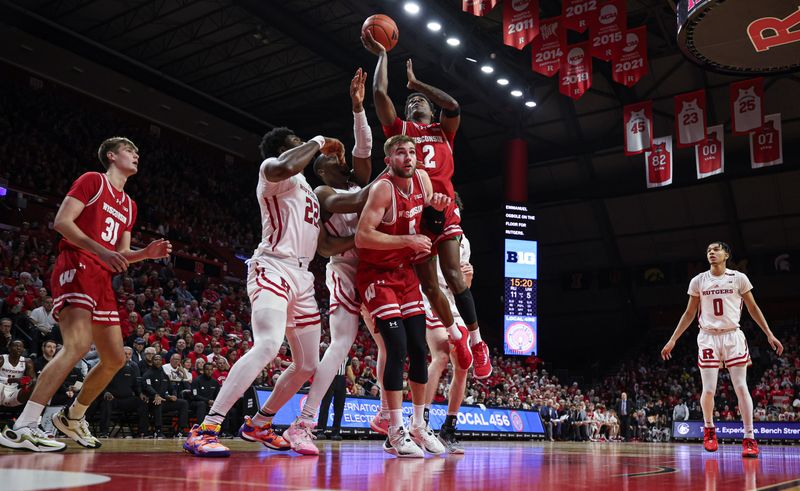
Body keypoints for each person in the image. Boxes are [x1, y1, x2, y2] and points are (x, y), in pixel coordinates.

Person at [182, 126, 345, 457]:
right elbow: (287, 165)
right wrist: (317, 140)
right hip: (272, 265)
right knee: (269, 344)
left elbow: (325, 246)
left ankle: (259, 423)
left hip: (303, 277)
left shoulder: (309, 192)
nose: (308, 149)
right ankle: (207, 427)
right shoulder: (273, 169)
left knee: (307, 364)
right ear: (288, 147)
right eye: (299, 144)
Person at [0, 137, 171, 452]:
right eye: (129, 150)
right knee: (77, 345)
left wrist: (145, 253)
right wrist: (100, 252)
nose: (136, 154)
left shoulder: (130, 205)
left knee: (115, 358)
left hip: (102, 278)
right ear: (111, 155)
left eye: (137, 151)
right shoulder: (93, 180)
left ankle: (73, 417)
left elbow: (120, 255)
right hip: (76, 264)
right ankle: (23, 425)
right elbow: (62, 222)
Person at [362, 30, 491, 379]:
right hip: (413, 214)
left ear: (430, 109)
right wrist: (382, 56)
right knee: (430, 285)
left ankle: (478, 342)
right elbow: (378, 94)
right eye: (411, 101)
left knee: (452, 272)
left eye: (421, 101)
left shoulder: (443, 130)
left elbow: (455, 106)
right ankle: (456, 335)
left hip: (443, 206)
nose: (415, 102)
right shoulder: (401, 134)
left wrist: (418, 83)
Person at [287, 68, 377, 454]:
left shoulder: (356, 181)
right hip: (344, 270)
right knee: (340, 344)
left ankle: (392, 418)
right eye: (332, 157)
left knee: (392, 341)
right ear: (322, 166)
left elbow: (365, 152)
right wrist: (395, 177)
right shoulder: (323, 189)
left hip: (374, 268)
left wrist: (358, 109)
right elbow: (325, 248)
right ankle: (305, 421)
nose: (341, 160)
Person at [355, 134, 448, 458]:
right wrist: (407, 243)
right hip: (377, 276)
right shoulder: (383, 189)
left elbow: (425, 229)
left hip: (405, 275)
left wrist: (436, 214)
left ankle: (419, 426)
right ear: (388, 160)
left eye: (411, 152)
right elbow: (362, 237)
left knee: (420, 349)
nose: (408, 157)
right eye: (400, 153)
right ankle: (394, 429)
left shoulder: (422, 180)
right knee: (396, 348)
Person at [661, 241, 784, 458]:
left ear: (726, 254)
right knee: (708, 389)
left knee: (740, 387)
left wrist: (769, 333)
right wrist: (673, 340)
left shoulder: (738, 278)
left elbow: (753, 308)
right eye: (708, 250)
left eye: (716, 249)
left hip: (732, 335)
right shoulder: (698, 281)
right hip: (708, 337)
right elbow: (689, 313)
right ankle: (709, 429)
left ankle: (749, 438)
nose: (711, 253)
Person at [422, 215, 472, 453]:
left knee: (463, 364)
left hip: (453, 302)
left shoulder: (464, 241)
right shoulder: (428, 231)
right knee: (440, 356)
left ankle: (449, 428)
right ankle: (421, 421)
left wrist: (468, 279)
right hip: (431, 297)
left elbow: (462, 284)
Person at [0, 340, 36, 408]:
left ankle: (32, 414)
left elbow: (33, 379)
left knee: (33, 385)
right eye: (16, 346)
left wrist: (28, 382)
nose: (19, 348)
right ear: (9, 348)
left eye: (21, 346)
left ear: (23, 349)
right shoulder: (2, 359)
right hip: (1, 389)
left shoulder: (27, 361)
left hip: (14, 393)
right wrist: (13, 380)